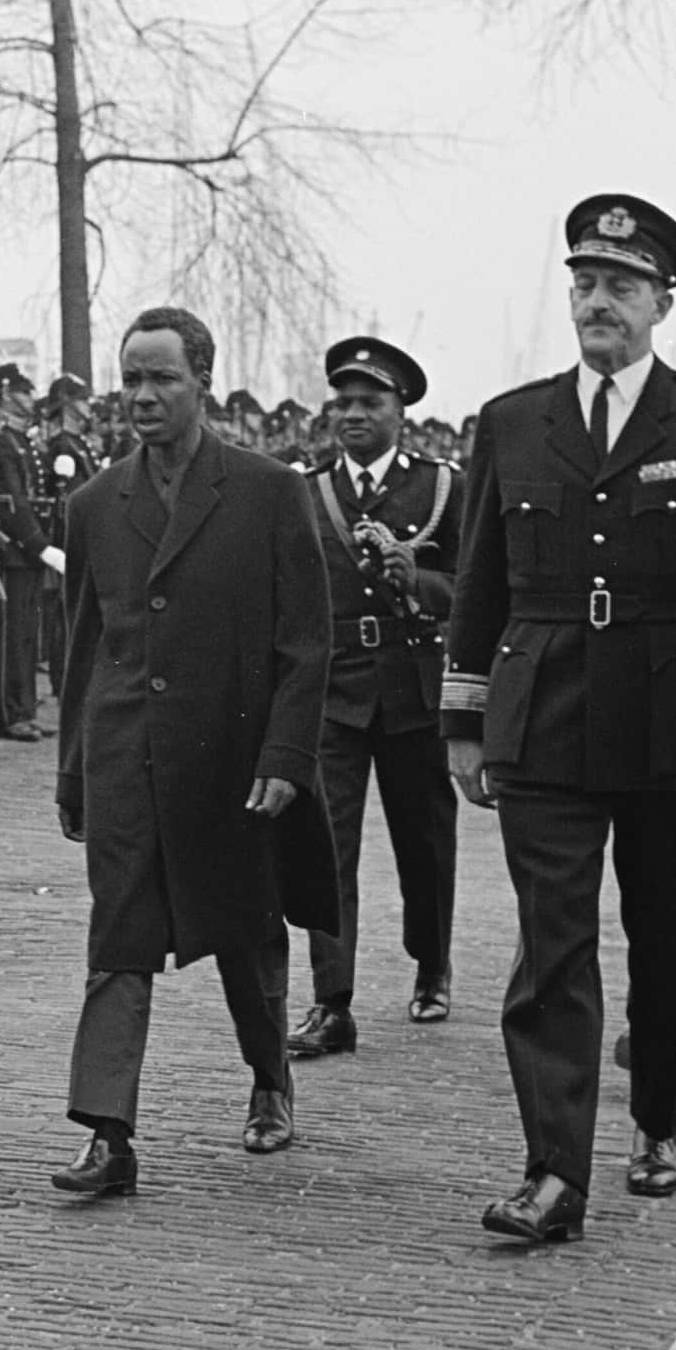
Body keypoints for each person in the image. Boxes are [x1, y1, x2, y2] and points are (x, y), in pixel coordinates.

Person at [444, 194, 676, 1246]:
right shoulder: (514, 420)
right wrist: (464, 719)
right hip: (545, 710)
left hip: (675, 711)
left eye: (621, 287)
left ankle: (656, 1120)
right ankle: (553, 1170)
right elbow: (479, 581)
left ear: (660, 304)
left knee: (663, 933)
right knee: (550, 948)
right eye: (584, 284)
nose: (598, 302)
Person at [46, 305, 337, 1195]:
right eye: (130, 377)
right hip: (126, 755)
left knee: (244, 931)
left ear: (202, 381)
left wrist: (286, 757)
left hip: (232, 758)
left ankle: (268, 1079)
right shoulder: (95, 504)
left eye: (161, 377)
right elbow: (84, 647)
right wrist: (73, 771)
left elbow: (306, 641)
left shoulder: (267, 490)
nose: (141, 395)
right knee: (119, 939)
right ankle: (108, 1133)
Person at [287, 336, 464, 1061]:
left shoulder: (442, 488)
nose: (354, 414)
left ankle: (432, 964)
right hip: (335, 689)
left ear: (402, 411)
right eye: (344, 402)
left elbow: (470, 590)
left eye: (371, 402)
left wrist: (415, 579)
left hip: (413, 688)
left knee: (424, 841)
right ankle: (332, 1001)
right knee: (327, 848)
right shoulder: (307, 489)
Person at [0, 362, 53, 742]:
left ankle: (25, 708)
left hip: (29, 553)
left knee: (26, 636)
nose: (30, 398)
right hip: (12, 550)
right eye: (23, 391)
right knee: (9, 635)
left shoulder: (23, 441)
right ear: (5, 395)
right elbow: (12, 503)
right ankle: (10, 714)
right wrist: (39, 544)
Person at [38, 375, 100, 696]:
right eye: (82, 400)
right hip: (66, 535)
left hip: (83, 532)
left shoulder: (79, 443)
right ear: (68, 404)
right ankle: (63, 681)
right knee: (65, 612)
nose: (88, 406)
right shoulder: (62, 445)